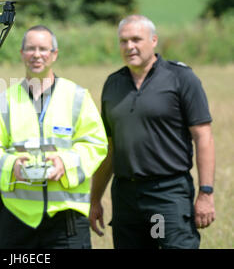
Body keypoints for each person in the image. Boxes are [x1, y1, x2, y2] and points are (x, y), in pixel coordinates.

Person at [90, 15, 216, 249]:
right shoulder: (112, 85)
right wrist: (95, 198)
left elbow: (203, 137)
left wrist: (206, 193)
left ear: (154, 40)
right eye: (123, 41)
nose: (129, 47)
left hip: (168, 193)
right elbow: (109, 148)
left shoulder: (181, 78)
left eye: (136, 39)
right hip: (125, 196)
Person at [0, 25, 108, 249]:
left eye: (43, 49)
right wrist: (12, 167)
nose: (36, 54)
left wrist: (65, 163)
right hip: (17, 220)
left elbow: (96, 144)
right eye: (30, 49)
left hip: (66, 221)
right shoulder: (3, 101)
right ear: (21, 54)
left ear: (54, 54)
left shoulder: (77, 97)